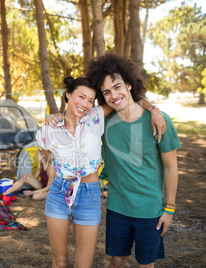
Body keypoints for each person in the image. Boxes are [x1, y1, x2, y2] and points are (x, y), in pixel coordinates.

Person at [41, 76, 166, 268]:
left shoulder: (96, 116)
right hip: (59, 192)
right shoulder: (49, 129)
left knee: (83, 264)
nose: (85, 104)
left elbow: (129, 99)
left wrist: (154, 109)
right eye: (81, 97)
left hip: (89, 194)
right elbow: (48, 152)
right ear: (68, 95)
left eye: (90, 100)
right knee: (59, 261)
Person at [86, 53, 180, 267]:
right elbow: (77, 115)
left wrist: (169, 209)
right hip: (117, 206)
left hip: (150, 210)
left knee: (146, 263)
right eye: (106, 92)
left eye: (117, 86)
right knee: (117, 260)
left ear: (129, 85)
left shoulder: (159, 120)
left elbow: (171, 167)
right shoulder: (102, 123)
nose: (113, 95)